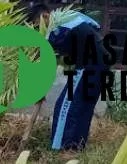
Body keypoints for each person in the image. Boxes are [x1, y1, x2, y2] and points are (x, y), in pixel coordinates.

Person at [31, 2, 109, 151]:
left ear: (45, 16)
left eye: (37, 25)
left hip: (89, 65)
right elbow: (95, 26)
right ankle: (76, 147)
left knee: (64, 107)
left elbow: (46, 59)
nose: (38, 30)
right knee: (83, 107)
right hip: (101, 64)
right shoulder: (71, 17)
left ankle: (59, 148)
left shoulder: (57, 26)